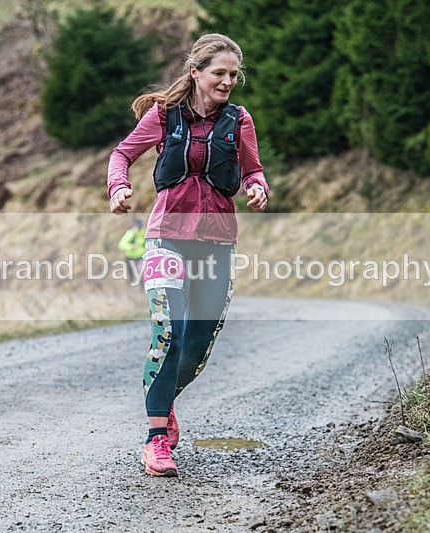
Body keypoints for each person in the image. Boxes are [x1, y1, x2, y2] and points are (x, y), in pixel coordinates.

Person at [107, 33, 268, 477]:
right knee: (170, 334)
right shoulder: (165, 115)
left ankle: (164, 401)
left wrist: (258, 187)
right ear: (196, 72)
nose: (228, 82)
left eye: (234, 75)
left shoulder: (240, 120)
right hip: (165, 238)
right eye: (219, 73)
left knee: (197, 347)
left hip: (217, 241)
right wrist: (119, 186)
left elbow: (253, 168)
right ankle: (155, 438)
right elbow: (122, 154)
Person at [117, 217, 146, 286]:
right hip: (131, 257)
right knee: (131, 276)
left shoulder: (144, 232)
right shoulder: (131, 233)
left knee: (142, 273)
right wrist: (131, 246)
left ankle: (142, 288)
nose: (139, 227)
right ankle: (131, 287)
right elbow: (121, 245)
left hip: (141, 257)